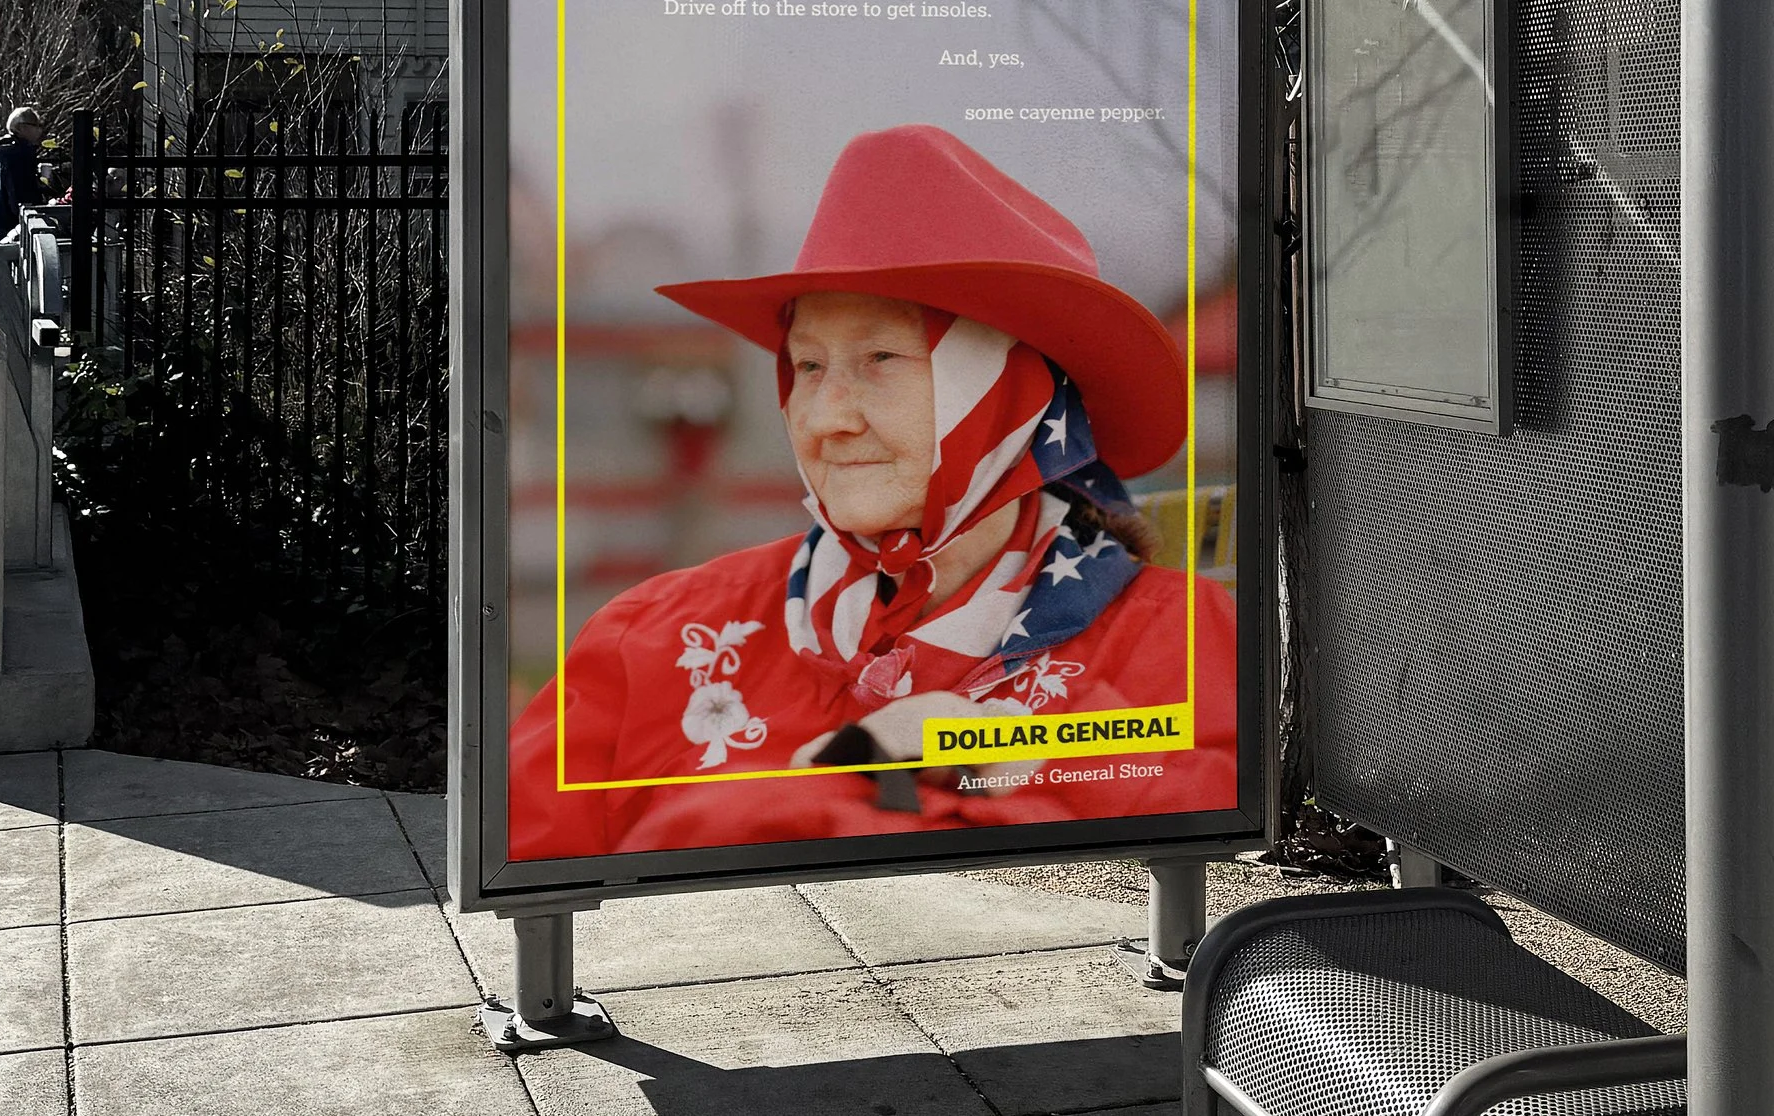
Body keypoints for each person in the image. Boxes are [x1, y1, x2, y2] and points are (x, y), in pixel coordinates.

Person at [510, 123, 1238, 861]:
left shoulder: (1178, 645)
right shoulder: (648, 641)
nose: (825, 418)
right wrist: (862, 765)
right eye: (809, 366)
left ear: (1008, 394)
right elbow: (519, 910)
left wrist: (1018, 752)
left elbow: (1190, 887)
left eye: (881, 357)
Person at [0, 106, 48, 244]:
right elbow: (21, 199)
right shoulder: (17, 155)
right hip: (10, 235)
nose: (40, 130)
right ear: (21, 127)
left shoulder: (0, 153)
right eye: (36, 125)